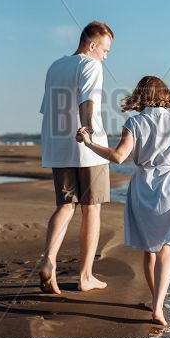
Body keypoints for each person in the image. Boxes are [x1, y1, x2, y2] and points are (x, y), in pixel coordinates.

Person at [76, 75, 170, 326]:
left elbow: (117, 157)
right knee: (167, 248)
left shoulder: (134, 122)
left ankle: (153, 298)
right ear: (164, 95)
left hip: (143, 186)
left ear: (140, 96)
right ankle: (158, 306)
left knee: (150, 250)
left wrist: (90, 143)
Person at [39, 20, 114, 294]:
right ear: (92, 45)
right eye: (105, 50)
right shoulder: (92, 65)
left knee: (65, 206)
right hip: (87, 149)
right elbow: (87, 100)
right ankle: (85, 276)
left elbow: (47, 108)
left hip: (58, 147)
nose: (106, 56)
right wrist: (87, 131)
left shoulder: (55, 66)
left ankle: (48, 260)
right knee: (91, 209)